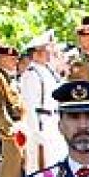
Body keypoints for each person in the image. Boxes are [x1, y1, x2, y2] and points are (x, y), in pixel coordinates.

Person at [18, 30, 66, 167]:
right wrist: (36, 133)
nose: (50, 53)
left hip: (53, 125)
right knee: (41, 170)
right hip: (41, 127)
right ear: (36, 53)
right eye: (46, 50)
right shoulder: (32, 74)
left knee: (56, 167)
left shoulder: (48, 71)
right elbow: (30, 106)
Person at [0, 45, 31, 177]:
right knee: (10, 175)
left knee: (19, 172)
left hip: (19, 129)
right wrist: (10, 129)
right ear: (0, 59)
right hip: (9, 134)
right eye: (11, 58)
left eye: (16, 58)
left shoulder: (10, 79)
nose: (15, 61)